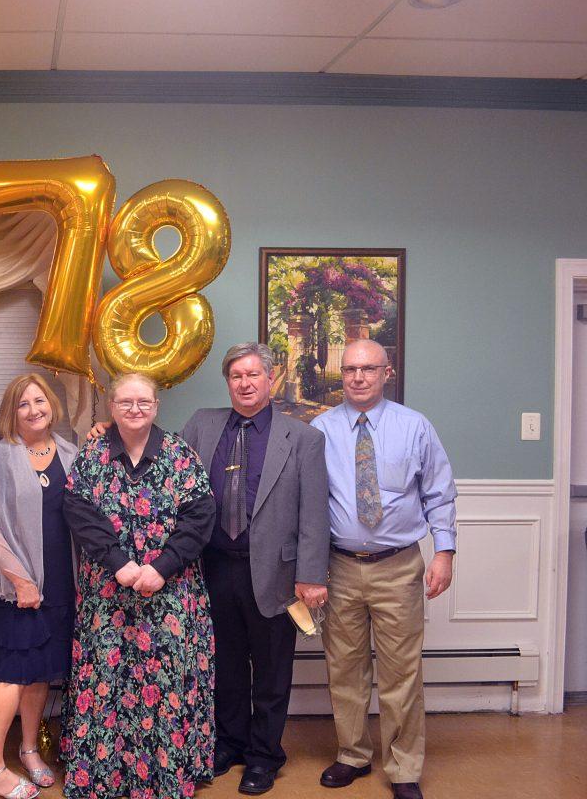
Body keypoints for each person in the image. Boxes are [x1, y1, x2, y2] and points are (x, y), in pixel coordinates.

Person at [177, 343, 329, 795]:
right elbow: (167, 471)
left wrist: (312, 575)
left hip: (276, 576)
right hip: (212, 569)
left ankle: (264, 756)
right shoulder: (202, 425)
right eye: (236, 376)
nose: (244, 383)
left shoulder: (301, 437)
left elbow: (314, 513)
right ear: (228, 382)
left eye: (253, 375)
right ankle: (230, 744)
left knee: (270, 672)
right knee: (223, 667)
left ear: (271, 380)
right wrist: (107, 428)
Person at [310, 339, 456, 799]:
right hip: (340, 568)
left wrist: (445, 552)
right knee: (345, 669)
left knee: (401, 672)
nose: (357, 377)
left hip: (399, 568)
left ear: (386, 372)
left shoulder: (415, 427)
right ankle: (353, 754)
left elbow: (439, 491)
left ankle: (404, 767)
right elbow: (307, 505)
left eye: (368, 369)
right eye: (350, 369)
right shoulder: (320, 430)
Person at [62, 373, 217, 799]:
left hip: (170, 593)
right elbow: (78, 511)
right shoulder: (92, 454)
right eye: (126, 402)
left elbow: (200, 516)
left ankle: (167, 776)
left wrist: (161, 567)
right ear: (111, 407)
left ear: (156, 406)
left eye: (143, 402)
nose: (135, 410)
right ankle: (103, 776)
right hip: (108, 594)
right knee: (107, 682)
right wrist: (120, 565)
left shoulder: (180, 454)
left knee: (166, 683)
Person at [0, 374, 78, 799]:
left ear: (52, 404)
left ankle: (30, 749)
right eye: (23, 404)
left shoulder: (72, 454)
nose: (34, 410)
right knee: (13, 674)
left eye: (40, 401)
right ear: (10, 413)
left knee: (38, 677)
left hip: (63, 585)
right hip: (18, 588)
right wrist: (20, 579)